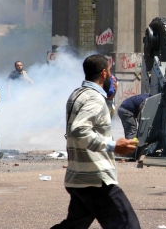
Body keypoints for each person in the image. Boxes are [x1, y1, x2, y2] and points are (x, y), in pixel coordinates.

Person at [51, 54, 140, 229]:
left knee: (73, 226)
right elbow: (79, 129)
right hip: (95, 178)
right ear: (104, 73)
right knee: (128, 226)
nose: (111, 75)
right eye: (109, 70)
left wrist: (108, 100)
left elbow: (97, 123)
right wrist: (114, 146)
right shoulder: (94, 98)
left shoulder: (78, 94)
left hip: (78, 177)